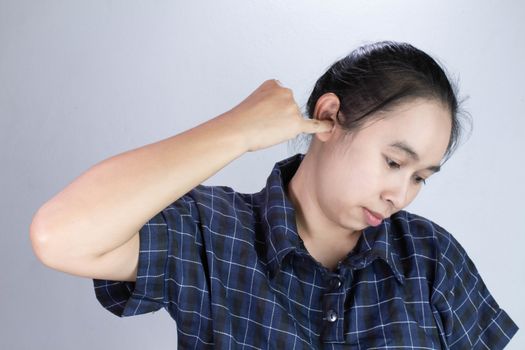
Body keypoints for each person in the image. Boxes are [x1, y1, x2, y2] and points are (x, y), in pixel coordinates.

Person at [30, 41, 518, 349]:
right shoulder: (213, 233)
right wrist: (237, 130)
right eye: (393, 162)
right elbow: (61, 236)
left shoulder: (431, 259)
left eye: (420, 177)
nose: (400, 194)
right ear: (330, 115)